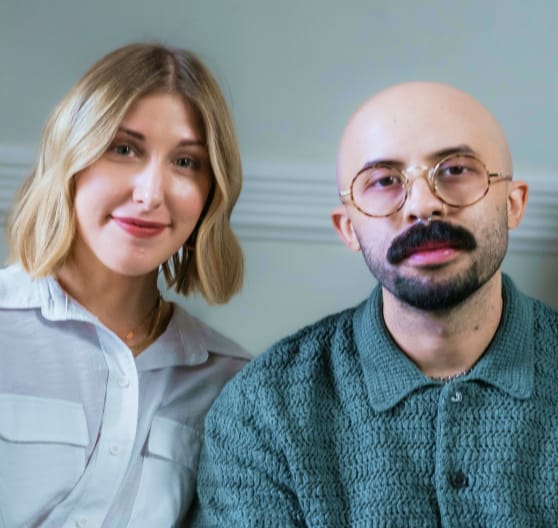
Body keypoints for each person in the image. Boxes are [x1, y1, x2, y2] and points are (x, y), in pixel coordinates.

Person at [191, 82, 558, 526]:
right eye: (384, 181)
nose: (424, 205)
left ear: (513, 204)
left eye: (456, 170)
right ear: (348, 228)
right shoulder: (264, 410)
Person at [0, 43, 250, 528]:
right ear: (70, 158)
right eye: (123, 148)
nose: (151, 193)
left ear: (211, 193)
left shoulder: (231, 383)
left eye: (186, 162)